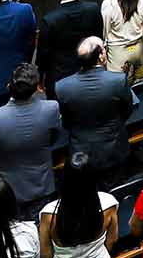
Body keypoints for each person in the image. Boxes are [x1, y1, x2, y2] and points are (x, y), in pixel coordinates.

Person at [0, 62, 67, 217]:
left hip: (8, 192)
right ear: (37, 88)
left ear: (9, 86)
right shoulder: (51, 109)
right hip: (42, 186)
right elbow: (55, 138)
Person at [56, 36, 134, 179]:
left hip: (81, 154)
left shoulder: (62, 87)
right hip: (114, 149)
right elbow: (127, 110)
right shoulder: (117, 81)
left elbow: (66, 121)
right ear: (100, 57)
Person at [37, 0, 105, 91]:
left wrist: (40, 76)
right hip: (90, 69)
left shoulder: (50, 20)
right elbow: (98, 37)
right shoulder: (93, 9)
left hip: (61, 77)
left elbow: (43, 54)